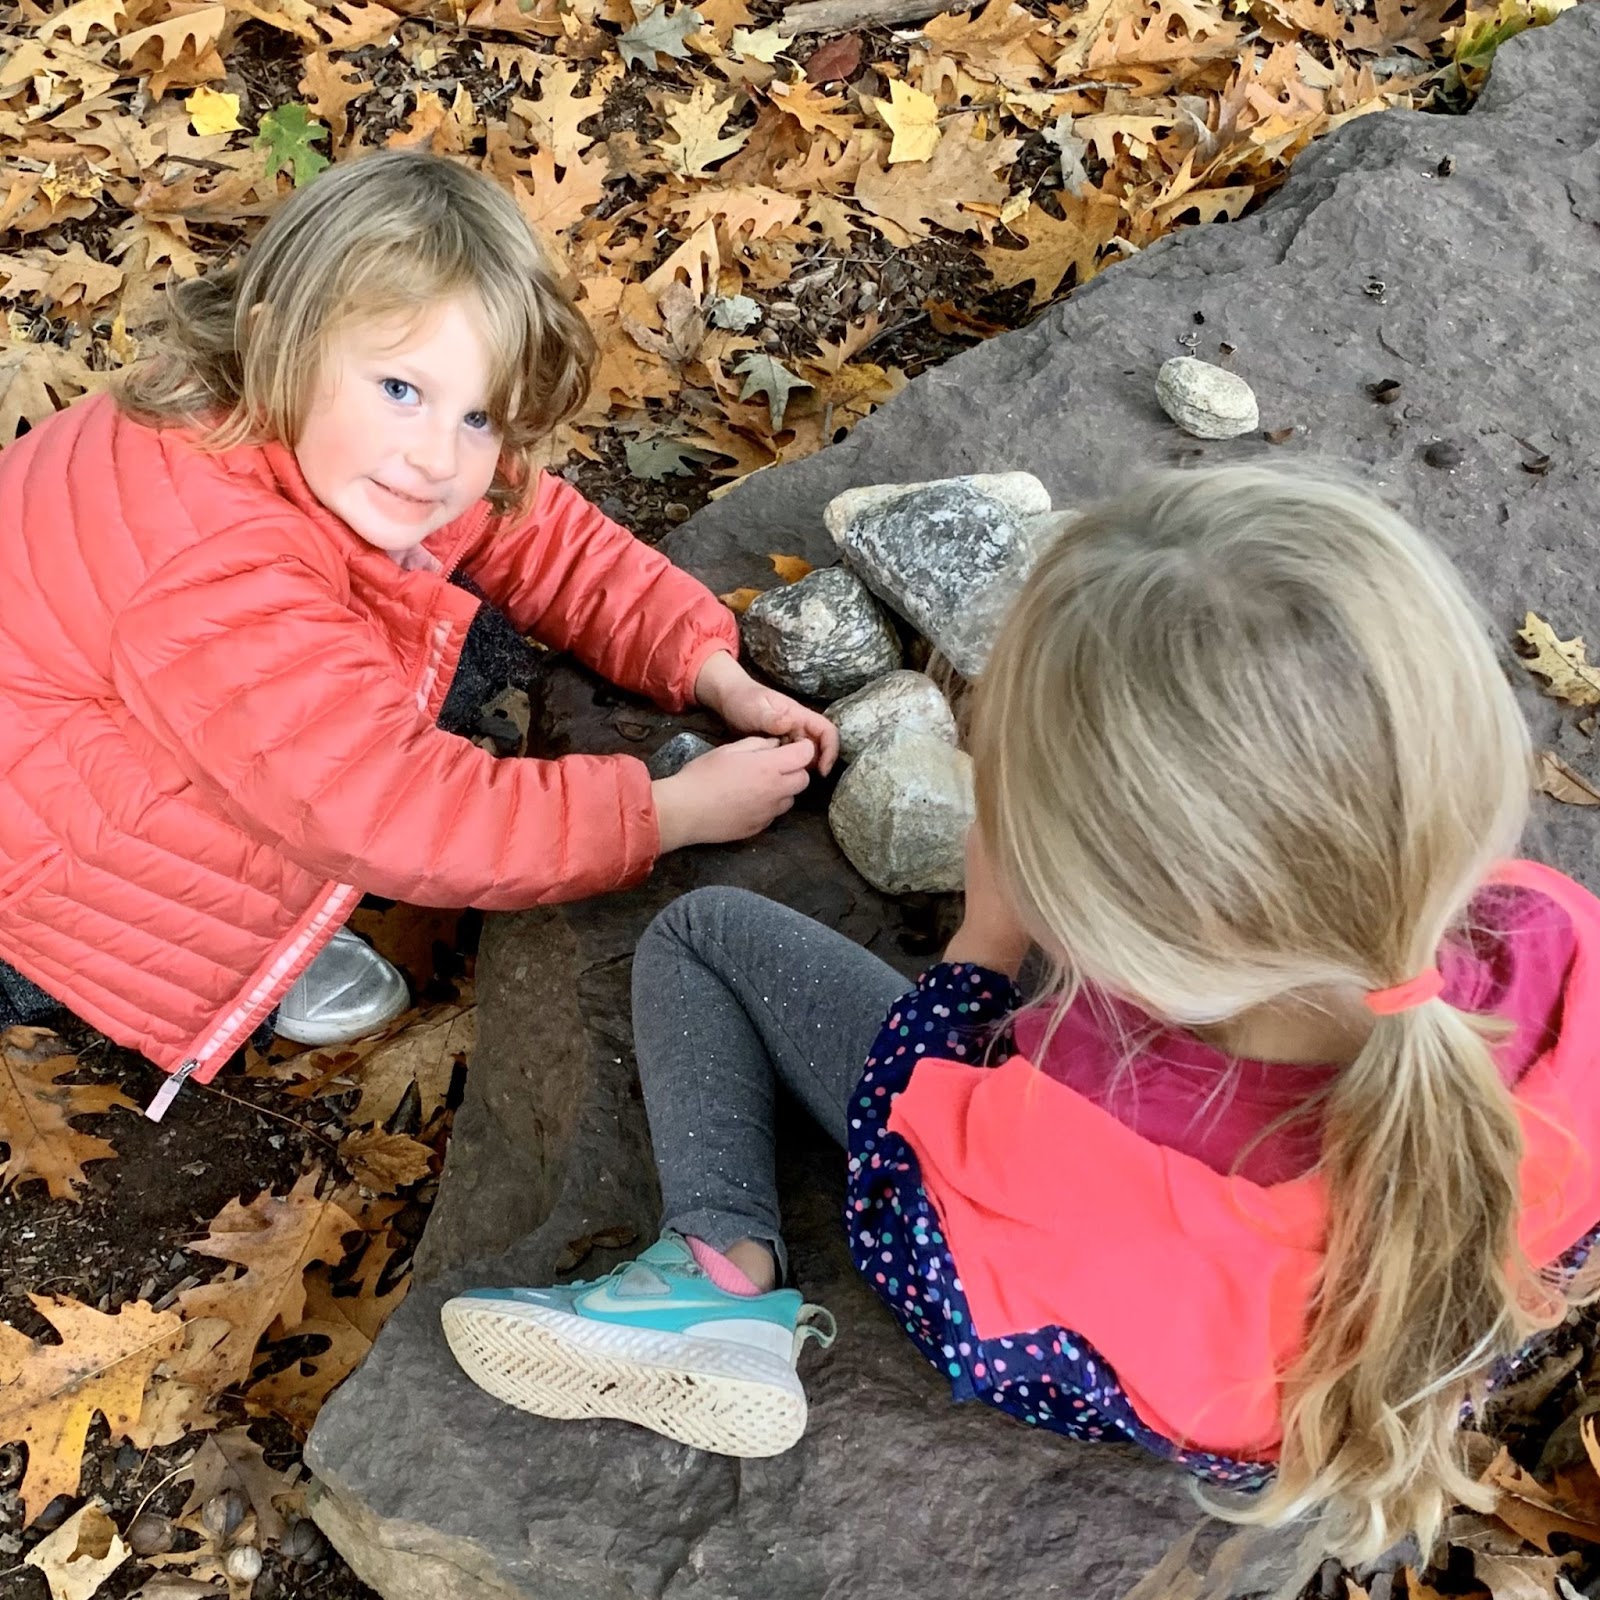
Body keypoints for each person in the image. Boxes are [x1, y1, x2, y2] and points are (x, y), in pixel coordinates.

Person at [442, 467, 1600, 1562]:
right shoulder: (1559, 938)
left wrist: (984, 946)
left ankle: (718, 1278)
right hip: (1356, 1353)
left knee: (703, 937)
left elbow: (908, 1223)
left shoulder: (1062, 1114)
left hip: (1116, 1361)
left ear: (1113, 924)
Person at [0, 150, 835, 1119]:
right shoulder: (222, 571)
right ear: (282, 341)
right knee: (338, 766)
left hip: (103, 700)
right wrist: (669, 811)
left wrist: (704, 661)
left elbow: (532, 525)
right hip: (45, 855)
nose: (440, 455)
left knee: (441, 635)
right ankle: (239, 958)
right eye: (403, 390)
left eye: (480, 414)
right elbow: (395, 809)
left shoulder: (304, 417)